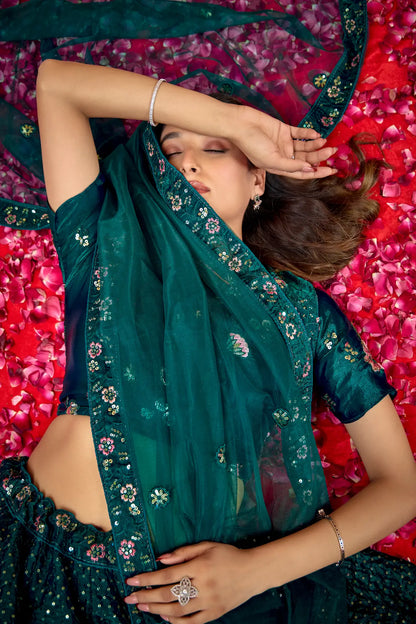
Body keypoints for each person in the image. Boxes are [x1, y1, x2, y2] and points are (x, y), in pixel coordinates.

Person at [1, 53, 416, 624]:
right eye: (170, 151)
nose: (188, 162)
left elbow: (401, 486)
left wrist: (252, 574)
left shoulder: (301, 315)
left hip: (205, 602)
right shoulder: (104, 239)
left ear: (258, 178)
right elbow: (57, 85)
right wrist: (232, 123)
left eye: (216, 149)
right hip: (45, 569)